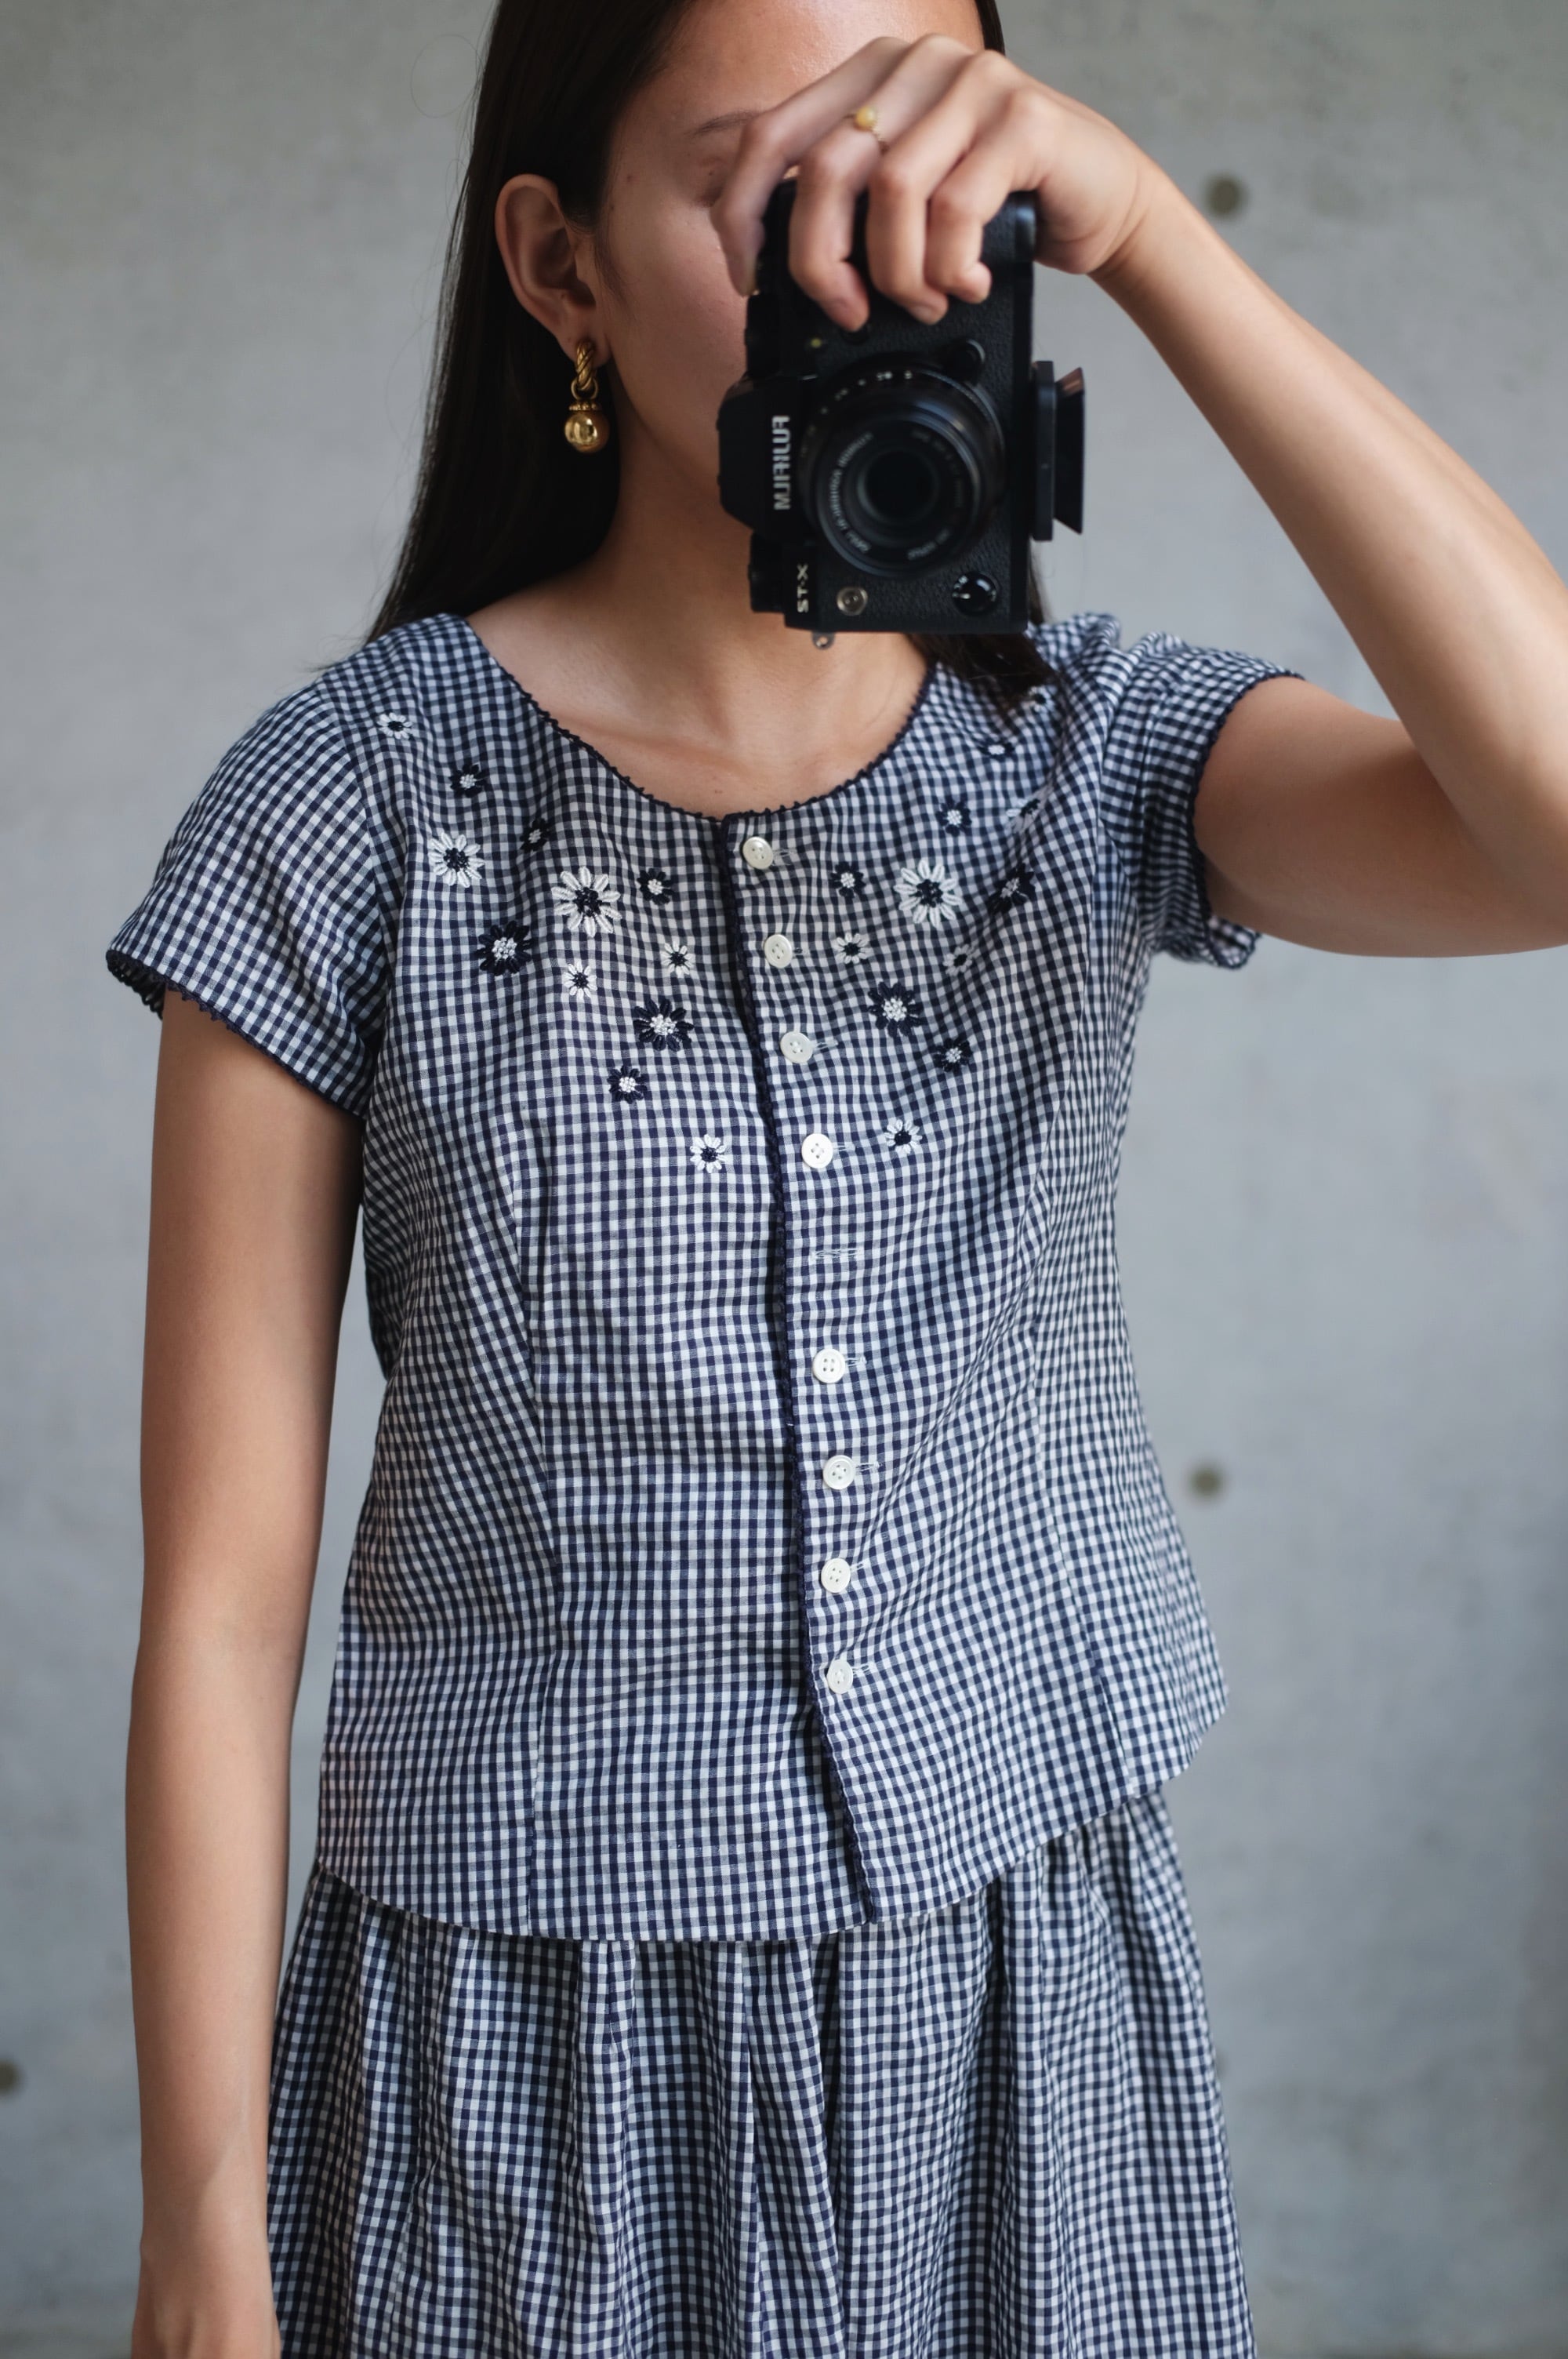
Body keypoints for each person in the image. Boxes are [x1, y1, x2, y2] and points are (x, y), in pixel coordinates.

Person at [107, 0, 1568, 2351]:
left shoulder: (1099, 748)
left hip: (1021, 2030)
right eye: (770, 185)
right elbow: (220, 1606)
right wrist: (202, 2243)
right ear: (561, 267)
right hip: (521, 2068)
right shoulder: (343, 809)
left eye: (933, 168)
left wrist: (1158, 246)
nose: (863, 254)